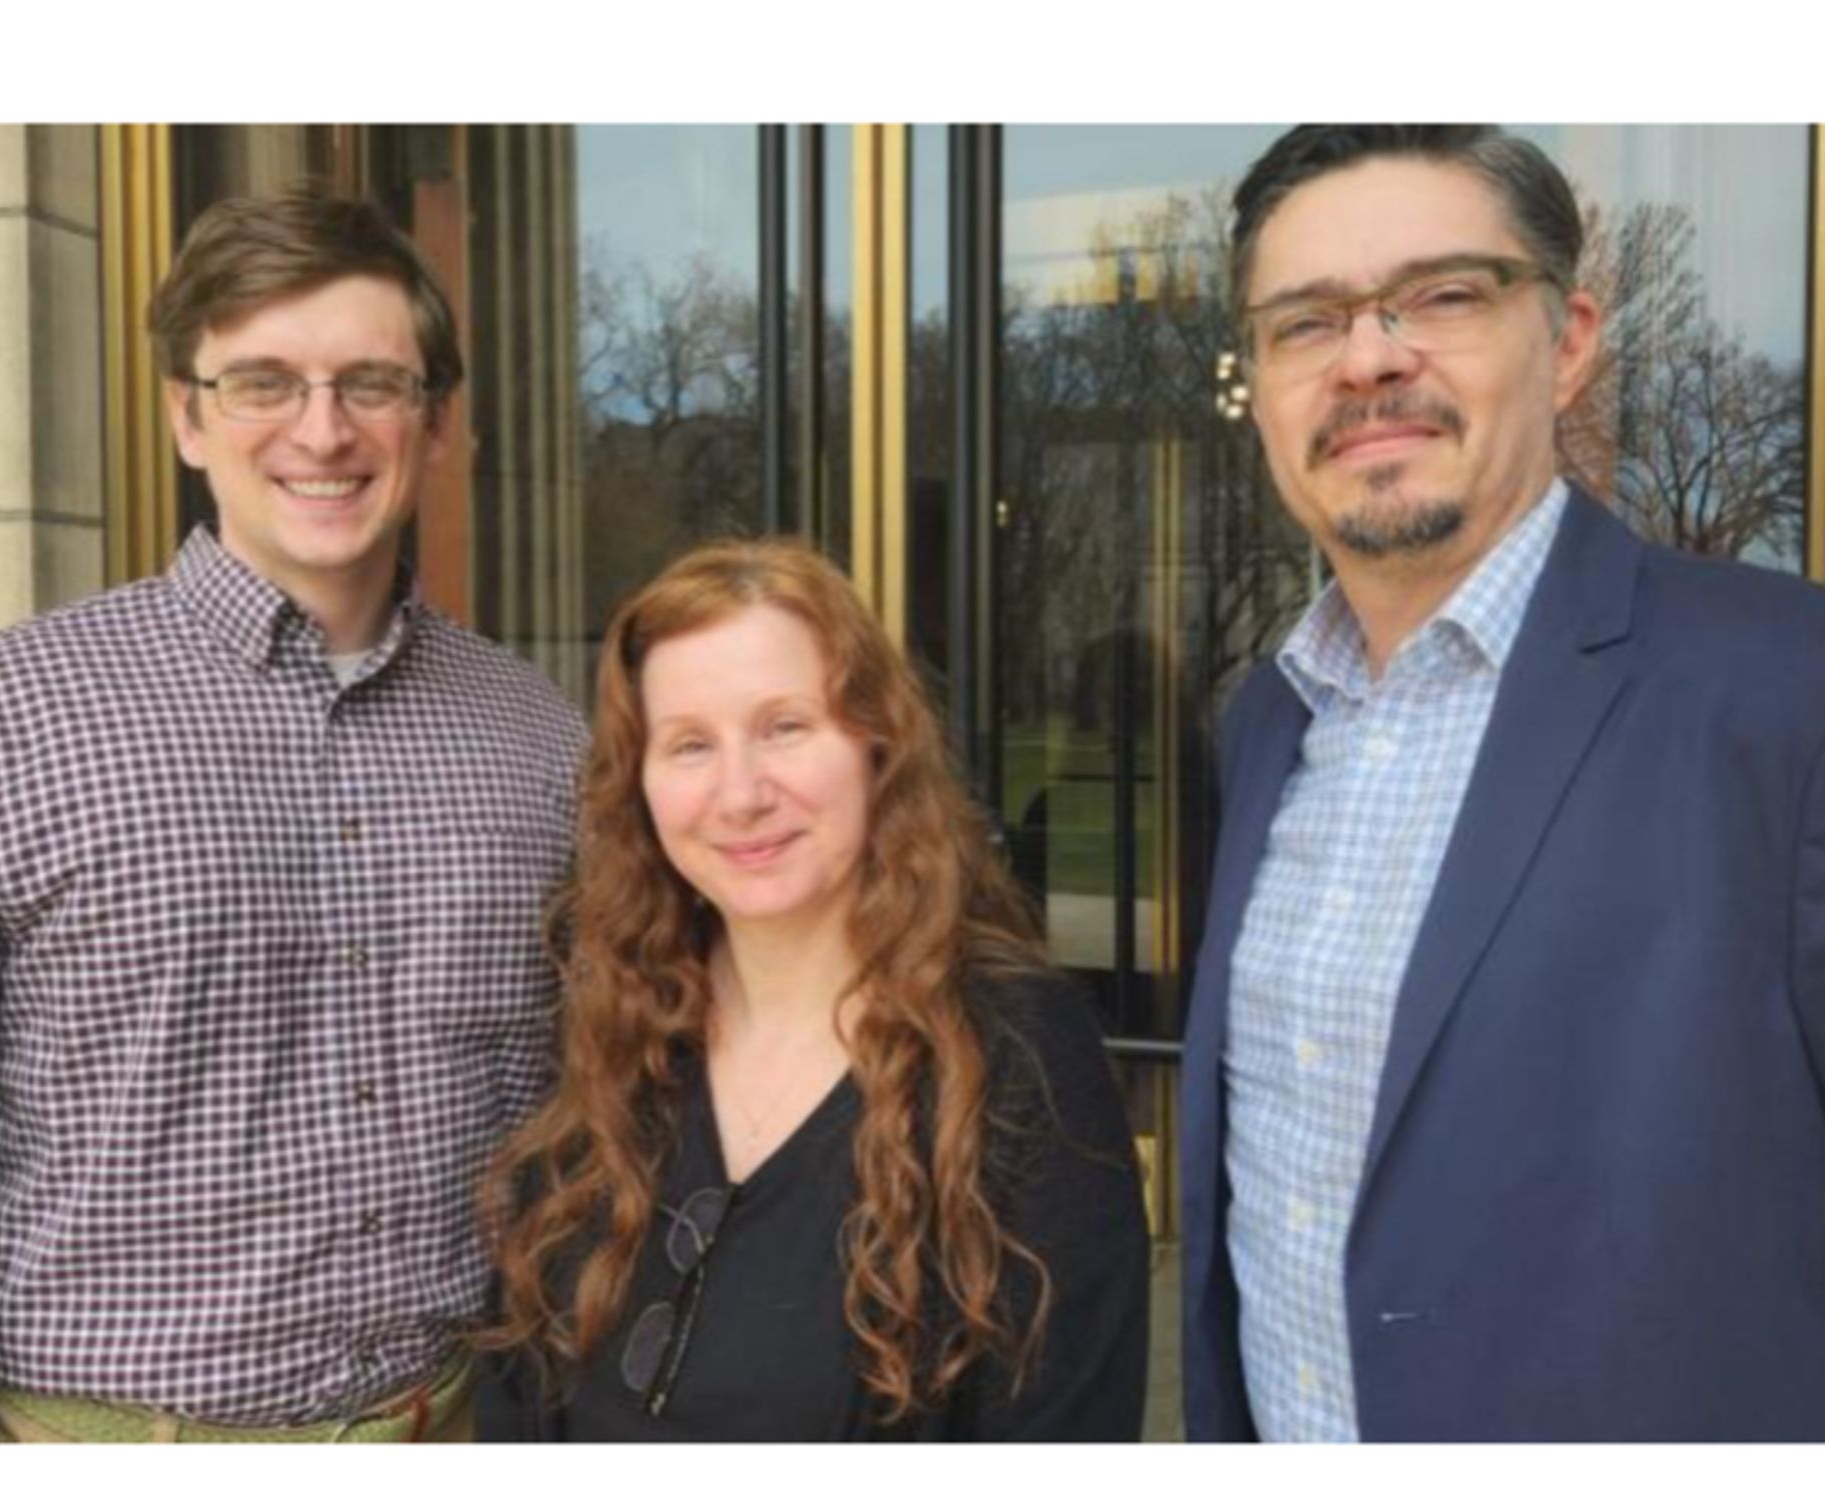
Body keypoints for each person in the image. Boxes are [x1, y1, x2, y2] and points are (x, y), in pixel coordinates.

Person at [0, 187, 586, 1442]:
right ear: (187, 416)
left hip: (458, 1424)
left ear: (436, 422)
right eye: (262, 382)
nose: (322, 430)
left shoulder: (536, 736)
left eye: (371, 383)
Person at [1181, 123, 1825, 1441]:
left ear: (1571, 338)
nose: (1369, 357)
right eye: (1307, 322)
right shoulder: (1263, 721)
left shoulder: (1786, 690)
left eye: (1444, 296)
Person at [473, 539, 1149, 1441]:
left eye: (785, 727)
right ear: (638, 786)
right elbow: (519, 1389)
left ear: (875, 743)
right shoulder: (619, 1020)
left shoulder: (1016, 1051)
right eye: (688, 745)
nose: (740, 794)